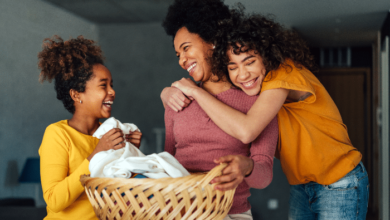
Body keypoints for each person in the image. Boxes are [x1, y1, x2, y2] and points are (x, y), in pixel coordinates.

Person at [162, 9, 369, 220]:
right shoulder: (255, 87)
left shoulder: (282, 74)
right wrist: (168, 93)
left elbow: (247, 130)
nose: (242, 74)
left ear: (266, 55)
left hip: (339, 178)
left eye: (250, 61)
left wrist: (194, 91)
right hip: (303, 183)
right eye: (233, 66)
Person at [162, 1, 278, 219]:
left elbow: (264, 176)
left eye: (186, 48)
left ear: (213, 41)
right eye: (178, 54)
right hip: (183, 210)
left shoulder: (258, 104)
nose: (182, 60)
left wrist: (247, 167)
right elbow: (165, 164)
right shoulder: (177, 99)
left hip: (233, 212)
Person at [37, 36, 142, 220]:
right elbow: (54, 200)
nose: (112, 91)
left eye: (112, 85)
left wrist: (131, 153)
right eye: (103, 85)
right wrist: (97, 154)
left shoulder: (108, 135)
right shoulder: (57, 134)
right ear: (77, 95)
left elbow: (117, 192)